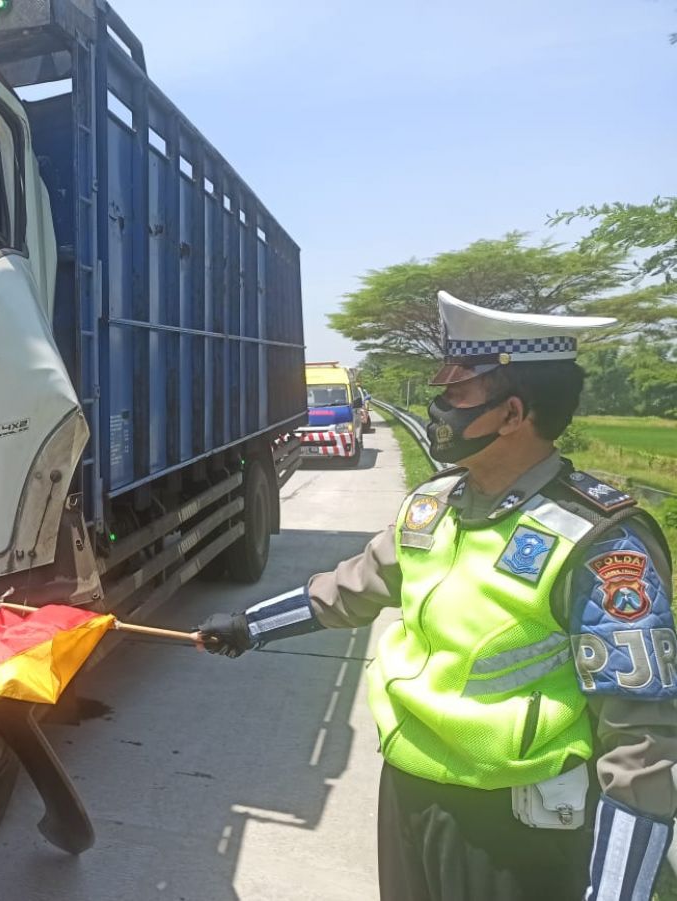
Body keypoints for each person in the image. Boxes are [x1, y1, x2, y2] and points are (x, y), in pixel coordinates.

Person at [198, 291, 676, 901]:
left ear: (512, 413)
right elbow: (355, 586)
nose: (437, 406)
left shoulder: (601, 542)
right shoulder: (435, 505)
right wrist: (251, 626)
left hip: (512, 823)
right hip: (408, 787)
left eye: (457, 392)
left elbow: (641, 746)